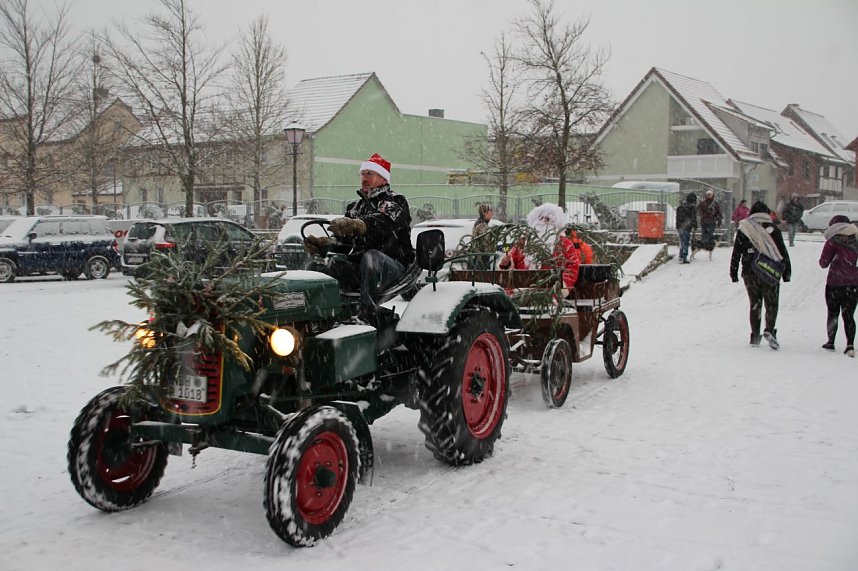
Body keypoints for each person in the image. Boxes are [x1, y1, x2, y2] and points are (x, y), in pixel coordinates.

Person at [304, 153, 414, 318]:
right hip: (361, 266)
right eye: (363, 174)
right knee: (322, 266)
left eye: (369, 174)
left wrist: (360, 224)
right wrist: (326, 244)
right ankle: (322, 313)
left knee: (371, 258)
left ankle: (367, 312)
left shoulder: (395, 201)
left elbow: (385, 222)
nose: (364, 178)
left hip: (393, 267)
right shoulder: (354, 208)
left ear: (384, 179)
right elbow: (347, 244)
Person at [729, 201, 791, 350]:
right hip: (770, 271)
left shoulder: (745, 228)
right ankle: (769, 330)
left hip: (750, 271)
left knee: (755, 304)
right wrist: (786, 272)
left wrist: (734, 271)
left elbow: (737, 251)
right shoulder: (773, 229)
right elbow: (782, 251)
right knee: (772, 303)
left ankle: (755, 335)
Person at [818, 215, 858, 357]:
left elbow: (823, 263)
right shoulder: (856, 240)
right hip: (853, 284)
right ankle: (850, 344)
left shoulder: (832, 242)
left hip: (834, 282)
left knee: (833, 313)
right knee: (849, 315)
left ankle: (831, 341)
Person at [526, 203, 581, 295]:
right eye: (540, 218)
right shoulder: (525, 242)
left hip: (552, 290)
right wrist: (507, 263)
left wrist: (562, 285)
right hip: (524, 288)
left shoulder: (564, 244)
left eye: (547, 219)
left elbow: (572, 267)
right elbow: (513, 259)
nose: (543, 222)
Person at [675, 192, 698, 264]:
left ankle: (681, 256)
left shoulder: (681, 206)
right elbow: (693, 218)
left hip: (680, 227)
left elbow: (678, 218)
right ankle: (684, 257)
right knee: (685, 242)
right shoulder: (692, 208)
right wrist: (694, 226)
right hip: (687, 227)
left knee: (682, 242)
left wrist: (679, 225)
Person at [472, 203, 495, 270]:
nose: (492, 214)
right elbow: (485, 244)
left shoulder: (479, 223)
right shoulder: (482, 225)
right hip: (482, 258)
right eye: (490, 211)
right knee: (484, 277)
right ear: (484, 213)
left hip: (479, 257)